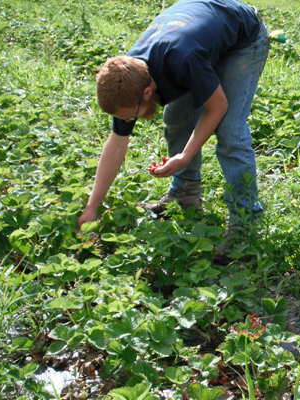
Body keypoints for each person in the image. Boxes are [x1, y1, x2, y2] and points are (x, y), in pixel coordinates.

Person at [77, 0, 269, 259]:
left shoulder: (182, 57)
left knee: (229, 129)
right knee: (178, 117)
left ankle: (246, 224)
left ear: (147, 93)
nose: (130, 122)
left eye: (130, 116)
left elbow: (218, 106)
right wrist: (92, 207)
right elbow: (116, 145)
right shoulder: (128, 76)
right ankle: (185, 193)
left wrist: (185, 155)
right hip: (199, 36)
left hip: (243, 37)